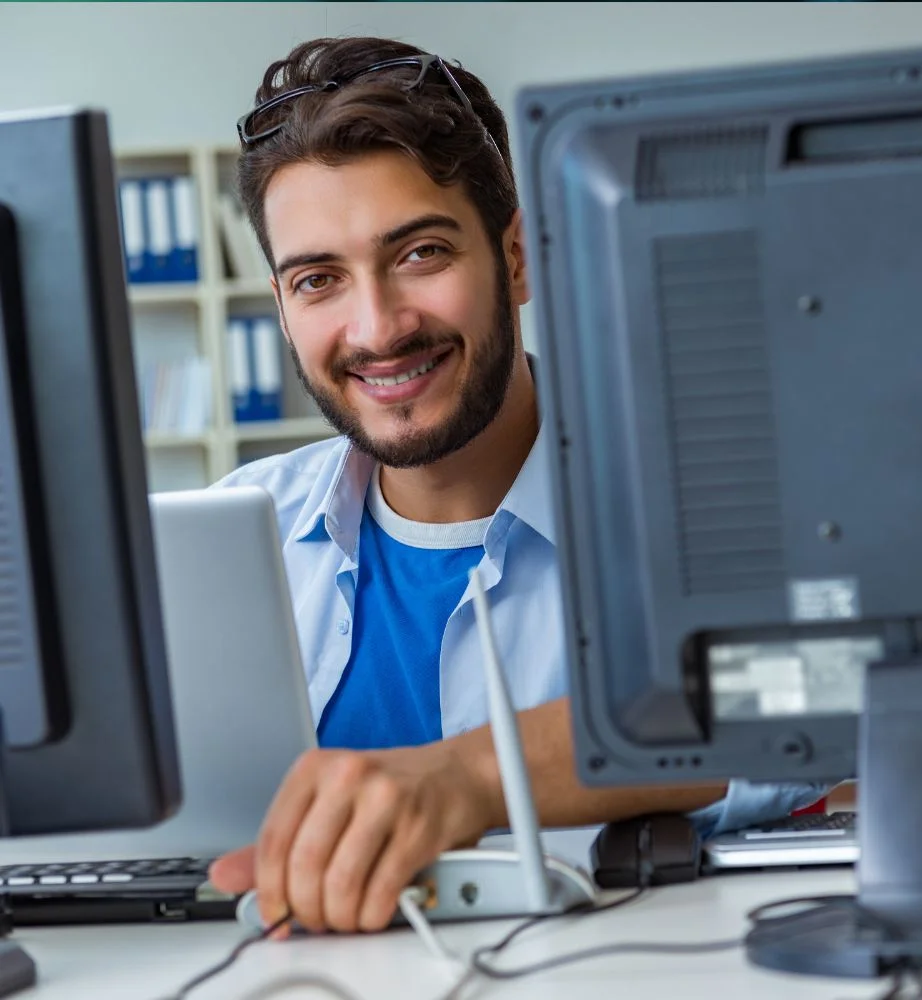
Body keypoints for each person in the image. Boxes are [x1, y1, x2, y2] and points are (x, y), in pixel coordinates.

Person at [208, 35, 826, 934]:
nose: (376, 328)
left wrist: (470, 775)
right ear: (281, 305)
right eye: (319, 280)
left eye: (420, 253)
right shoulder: (234, 529)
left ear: (518, 257)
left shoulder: (697, 499)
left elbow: (811, 697)